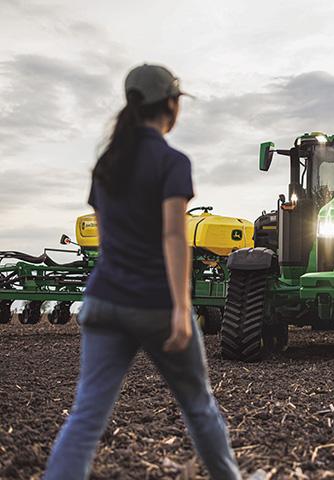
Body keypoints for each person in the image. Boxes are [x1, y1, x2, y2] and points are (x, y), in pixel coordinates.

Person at [44, 64, 242, 480]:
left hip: (103, 300)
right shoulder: (172, 162)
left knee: (86, 415)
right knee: (198, 405)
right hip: (155, 303)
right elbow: (173, 236)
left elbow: (108, 238)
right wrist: (181, 308)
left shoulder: (107, 164)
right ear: (171, 105)